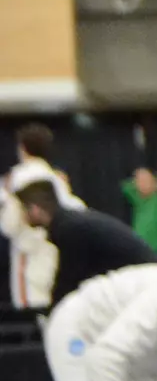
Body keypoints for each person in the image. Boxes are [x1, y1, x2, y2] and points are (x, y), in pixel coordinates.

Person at [12, 181, 156, 303]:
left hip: (143, 284)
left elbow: (68, 281)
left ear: (35, 209)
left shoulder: (69, 230)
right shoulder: (70, 223)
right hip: (140, 280)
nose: (22, 217)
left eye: (24, 210)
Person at [2, 122, 84, 309]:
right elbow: (76, 209)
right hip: (55, 249)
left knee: (30, 309)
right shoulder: (56, 178)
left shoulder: (17, 176)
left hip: (29, 250)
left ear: (22, 148)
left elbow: (10, 224)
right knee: (51, 307)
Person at [122, 166, 157, 257]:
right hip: (141, 251)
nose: (142, 183)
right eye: (139, 181)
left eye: (146, 180)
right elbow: (125, 186)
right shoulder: (138, 200)